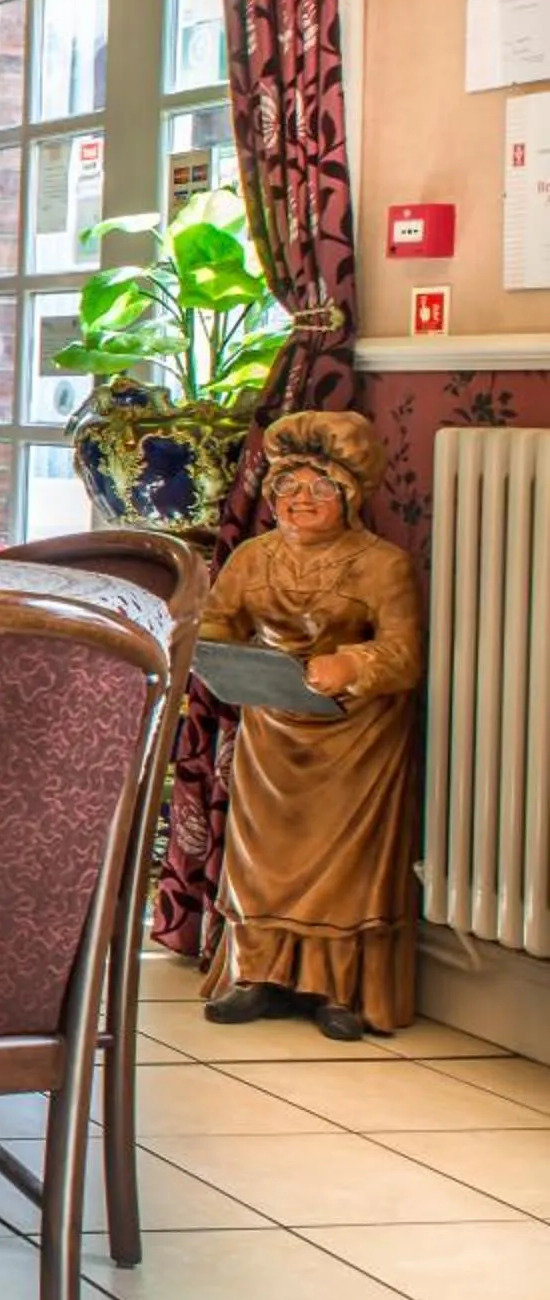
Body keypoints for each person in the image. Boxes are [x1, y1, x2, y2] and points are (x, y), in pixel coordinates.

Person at [200, 409, 422, 1040]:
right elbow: (218, 623)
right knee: (260, 856)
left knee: (346, 867)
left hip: (356, 737)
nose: (301, 500)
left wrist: (353, 661)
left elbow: (405, 653)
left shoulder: (382, 566)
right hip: (272, 725)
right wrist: (220, 658)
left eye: (318, 489)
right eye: (288, 488)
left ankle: (338, 988)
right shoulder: (253, 557)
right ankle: (257, 975)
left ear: (348, 496)